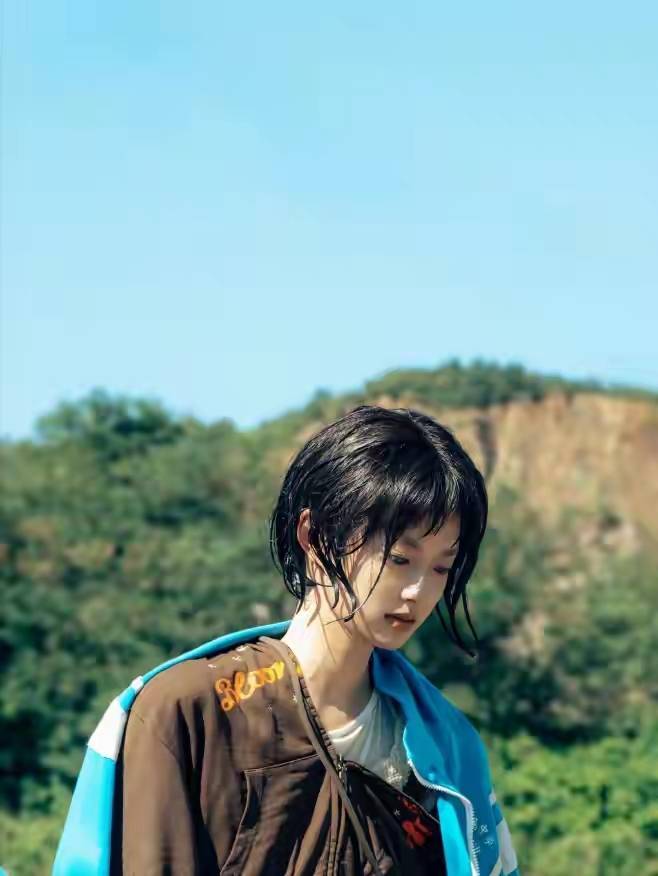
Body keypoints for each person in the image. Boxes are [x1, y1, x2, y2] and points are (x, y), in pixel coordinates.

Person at [54, 405, 520, 876]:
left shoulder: (446, 746)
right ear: (314, 537)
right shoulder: (188, 713)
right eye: (400, 559)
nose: (420, 591)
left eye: (441, 567)